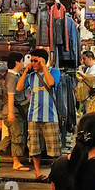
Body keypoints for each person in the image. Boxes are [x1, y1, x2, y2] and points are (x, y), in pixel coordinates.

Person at [15, 47, 61, 179]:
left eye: (36, 60)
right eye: (32, 60)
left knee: (54, 148)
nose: (33, 63)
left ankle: (54, 173)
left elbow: (51, 83)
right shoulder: (31, 76)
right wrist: (25, 71)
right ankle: (37, 173)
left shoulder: (54, 72)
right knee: (34, 147)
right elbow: (18, 88)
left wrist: (44, 67)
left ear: (42, 61)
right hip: (33, 116)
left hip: (50, 116)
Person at [4, 52, 28, 171]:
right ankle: (16, 162)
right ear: (17, 62)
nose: (24, 63)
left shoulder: (14, 75)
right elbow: (10, 95)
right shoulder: (12, 77)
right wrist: (11, 112)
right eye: (23, 61)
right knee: (17, 135)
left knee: (12, 135)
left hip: (14, 110)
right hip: (13, 110)